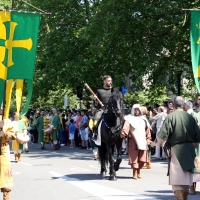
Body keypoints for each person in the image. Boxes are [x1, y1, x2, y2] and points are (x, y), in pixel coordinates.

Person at [151, 96, 200, 199]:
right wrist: (191, 145)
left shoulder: (170, 117)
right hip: (189, 150)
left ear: (172, 105)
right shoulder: (190, 117)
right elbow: (197, 137)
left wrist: (156, 144)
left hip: (176, 150)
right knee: (186, 180)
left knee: (176, 181)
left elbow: (162, 137)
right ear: (184, 105)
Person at [120, 104, 151, 180]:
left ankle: (139, 171)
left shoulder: (144, 119)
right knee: (134, 157)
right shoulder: (129, 118)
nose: (136, 111)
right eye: (135, 109)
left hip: (142, 141)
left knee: (142, 158)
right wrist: (123, 134)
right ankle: (135, 172)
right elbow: (125, 128)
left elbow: (147, 130)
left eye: (137, 109)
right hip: (133, 141)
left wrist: (148, 139)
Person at [0, 108, 15, 200]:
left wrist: (5, 133)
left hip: (3, 149)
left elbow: (13, 135)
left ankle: (6, 197)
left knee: (5, 175)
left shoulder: (7, 120)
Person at [92, 75, 113, 140]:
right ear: (104, 81)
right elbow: (96, 105)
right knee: (96, 118)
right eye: (109, 81)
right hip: (102, 109)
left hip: (113, 109)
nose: (110, 82)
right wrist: (95, 100)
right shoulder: (99, 91)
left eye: (111, 81)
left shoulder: (113, 90)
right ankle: (95, 133)